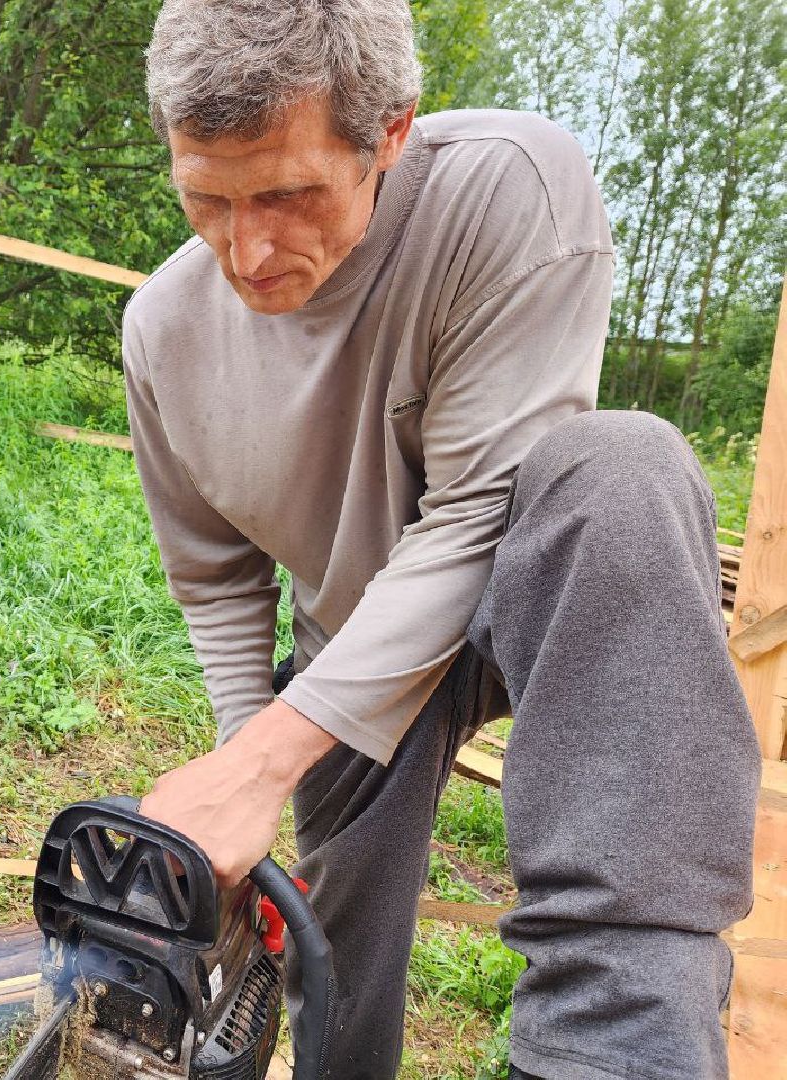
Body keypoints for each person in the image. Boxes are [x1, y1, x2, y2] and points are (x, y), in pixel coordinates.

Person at [126, 2, 761, 1077]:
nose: (249, 248)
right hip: (352, 644)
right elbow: (219, 580)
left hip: (538, 584)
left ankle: (613, 1047)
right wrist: (249, 763)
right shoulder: (163, 332)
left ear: (390, 133)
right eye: (208, 200)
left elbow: (474, 513)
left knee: (623, 470)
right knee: (335, 967)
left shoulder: (509, 187)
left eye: (287, 194)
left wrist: (270, 757)